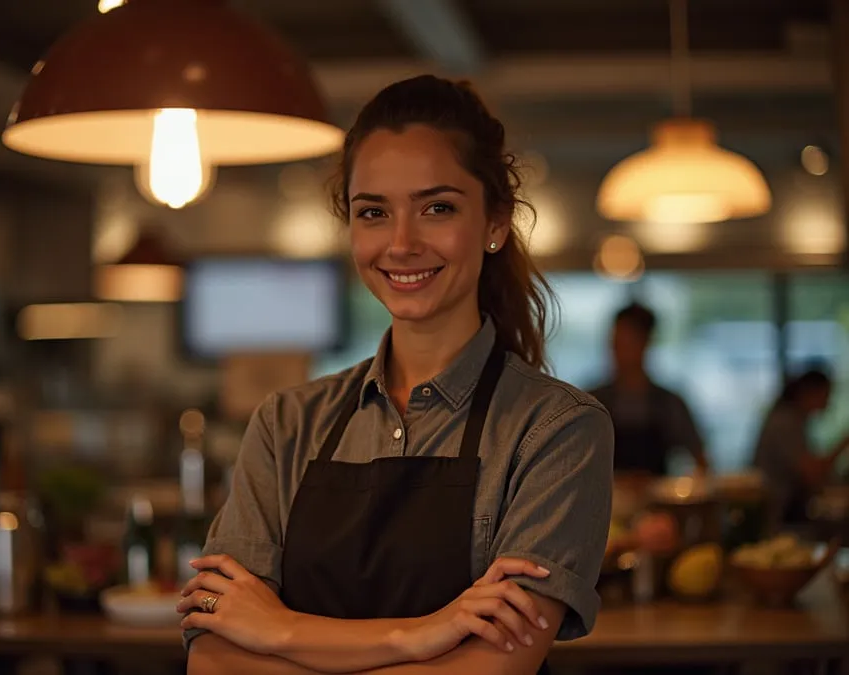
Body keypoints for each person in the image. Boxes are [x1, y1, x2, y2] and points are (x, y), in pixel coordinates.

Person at [177, 75, 614, 675]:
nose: (402, 243)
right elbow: (214, 658)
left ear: (494, 223)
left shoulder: (557, 432)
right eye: (374, 212)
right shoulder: (285, 424)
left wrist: (278, 631)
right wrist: (420, 638)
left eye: (437, 208)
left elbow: (491, 669)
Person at [590, 302, 708, 477]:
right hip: (605, 502)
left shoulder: (669, 404)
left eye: (627, 343)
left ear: (646, 343)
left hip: (658, 503)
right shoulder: (593, 402)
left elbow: (701, 462)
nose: (618, 352)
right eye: (615, 343)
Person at [753, 368, 849, 528]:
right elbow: (812, 473)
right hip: (779, 514)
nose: (827, 402)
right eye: (826, 395)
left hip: (785, 509)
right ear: (810, 392)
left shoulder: (793, 420)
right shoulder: (785, 422)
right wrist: (843, 444)